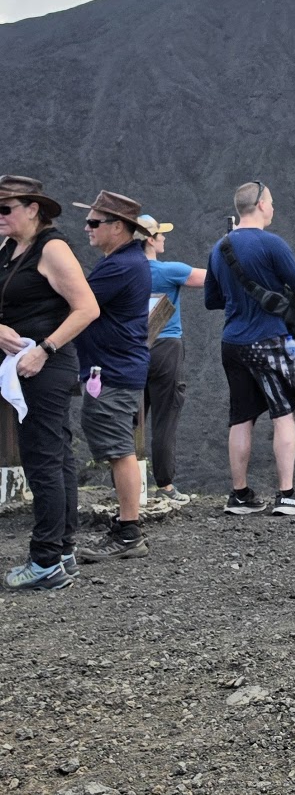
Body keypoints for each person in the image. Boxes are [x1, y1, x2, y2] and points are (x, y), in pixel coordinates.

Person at [0, 176, 100, 591]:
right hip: (26, 368)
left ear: (32, 209)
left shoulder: (52, 248)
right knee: (55, 456)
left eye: (6, 208)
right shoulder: (9, 249)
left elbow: (87, 308)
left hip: (43, 368)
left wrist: (44, 348)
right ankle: (61, 550)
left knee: (43, 459)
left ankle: (45, 560)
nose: (0, 216)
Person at [204, 182, 295, 516]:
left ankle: (239, 496)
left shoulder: (219, 247)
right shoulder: (271, 244)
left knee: (241, 417)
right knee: (283, 416)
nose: (273, 208)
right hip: (269, 341)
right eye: (272, 202)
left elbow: (212, 299)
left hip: (232, 342)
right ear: (261, 205)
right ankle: (286, 496)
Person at [72, 189, 155, 562]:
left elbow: (78, 303)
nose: (86, 228)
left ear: (118, 227)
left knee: (120, 451)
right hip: (115, 369)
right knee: (118, 447)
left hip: (113, 372)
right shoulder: (124, 261)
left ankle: (128, 532)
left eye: (94, 222)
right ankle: (126, 528)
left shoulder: (121, 266)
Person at [137, 213, 206, 506]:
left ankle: (131, 484)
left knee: (131, 419)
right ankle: (165, 486)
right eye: (160, 234)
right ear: (150, 240)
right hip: (166, 349)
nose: (164, 237)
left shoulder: (122, 272)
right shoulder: (170, 271)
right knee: (165, 420)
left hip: (130, 351)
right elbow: (212, 278)